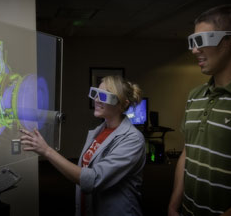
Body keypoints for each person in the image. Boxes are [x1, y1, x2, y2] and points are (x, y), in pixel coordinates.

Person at [168, 4, 231, 216]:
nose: (194, 50)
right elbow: (188, 152)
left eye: (202, 41)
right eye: (192, 42)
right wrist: (173, 205)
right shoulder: (195, 95)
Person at [20, 75, 146, 216]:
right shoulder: (99, 131)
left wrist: (47, 151)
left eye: (104, 96)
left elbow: (93, 180)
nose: (96, 100)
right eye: (96, 93)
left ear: (122, 104)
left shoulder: (133, 139)